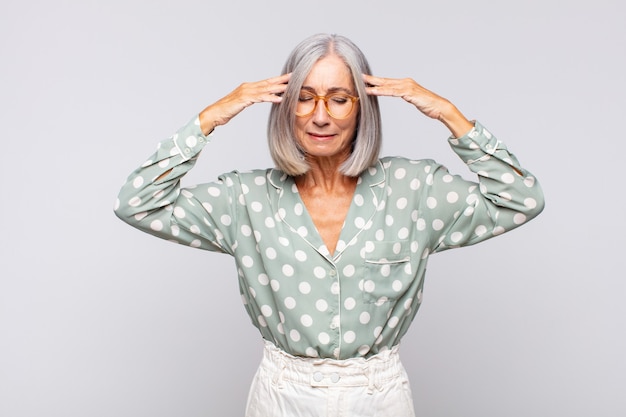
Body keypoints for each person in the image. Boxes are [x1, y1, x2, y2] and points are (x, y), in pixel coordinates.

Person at [114, 33, 545, 417]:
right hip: (281, 396)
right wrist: (211, 116)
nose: (320, 116)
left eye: (339, 98)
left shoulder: (414, 189)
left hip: (379, 396)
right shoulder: (244, 199)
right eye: (304, 97)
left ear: (363, 108)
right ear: (284, 106)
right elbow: (137, 203)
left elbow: (521, 199)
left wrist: (450, 115)